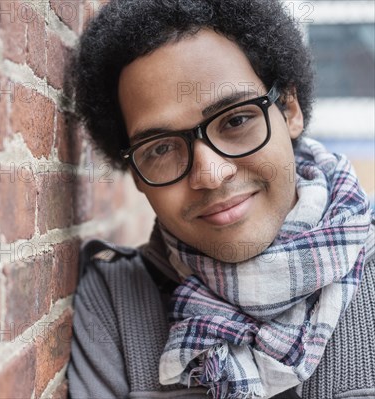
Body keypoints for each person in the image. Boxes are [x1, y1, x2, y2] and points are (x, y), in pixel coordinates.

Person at [66, 1, 375, 398]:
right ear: (136, 176)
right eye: (160, 148)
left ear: (290, 109)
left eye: (235, 120)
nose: (210, 174)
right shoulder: (115, 304)